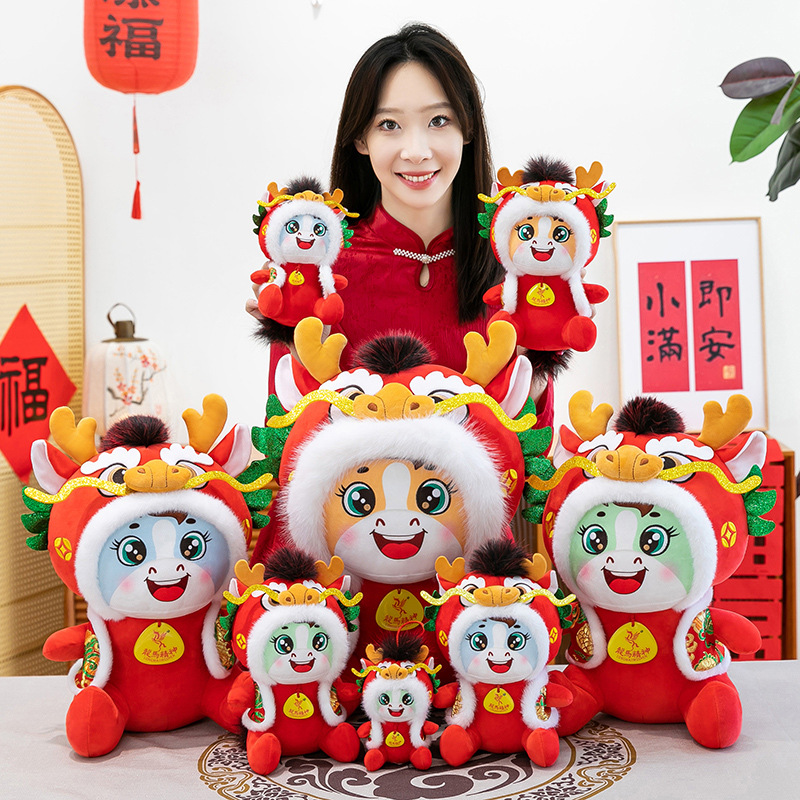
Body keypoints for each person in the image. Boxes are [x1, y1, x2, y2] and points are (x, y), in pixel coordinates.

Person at [249, 22, 561, 426]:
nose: (416, 151)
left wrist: (540, 361)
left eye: (439, 120)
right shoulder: (318, 270)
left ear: (468, 128)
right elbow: (286, 441)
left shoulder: (518, 268)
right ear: (361, 139)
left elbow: (533, 450)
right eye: (389, 125)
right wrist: (292, 344)